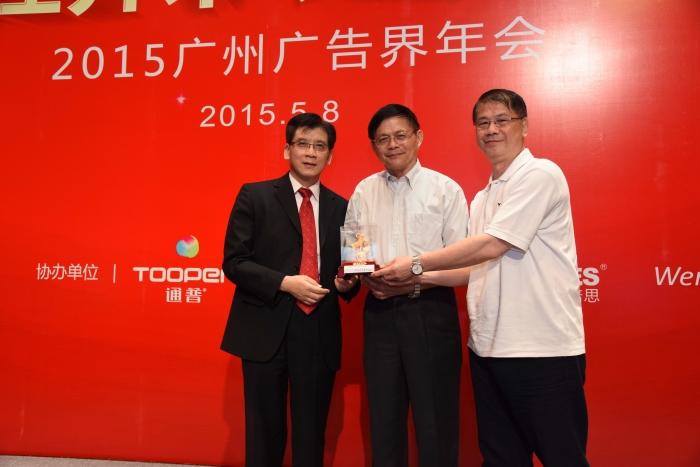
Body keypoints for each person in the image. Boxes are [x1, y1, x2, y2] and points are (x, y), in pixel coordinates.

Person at [375, 89, 590, 466]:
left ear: (524, 126)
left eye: (502, 120)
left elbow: (493, 245)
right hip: (489, 350)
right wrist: (412, 283)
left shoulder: (540, 174)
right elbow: (469, 269)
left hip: (542, 350)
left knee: (562, 456)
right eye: (483, 122)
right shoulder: (483, 197)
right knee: (501, 458)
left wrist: (415, 264)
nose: (492, 129)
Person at [220, 113, 359, 467]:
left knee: (311, 435)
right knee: (264, 434)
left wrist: (348, 283)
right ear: (287, 150)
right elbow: (235, 262)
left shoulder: (344, 208)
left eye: (320, 146)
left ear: (330, 155)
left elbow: (351, 270)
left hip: (318, 329)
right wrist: (285, 283)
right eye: (303, 144)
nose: (311, 152)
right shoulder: (255, 196)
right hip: (265, 327)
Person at [340, 104, 469, 467]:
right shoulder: (364, 191)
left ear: (418, 137)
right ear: (374, 146)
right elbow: (357, 257)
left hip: (432, 314)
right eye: (383, 139)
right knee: (384, 423)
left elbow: (466, 267)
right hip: (380, 314)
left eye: (400, 135)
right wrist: (350, 276)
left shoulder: (445, 190)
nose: (392, 144)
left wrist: (413, 281)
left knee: (436, 423)